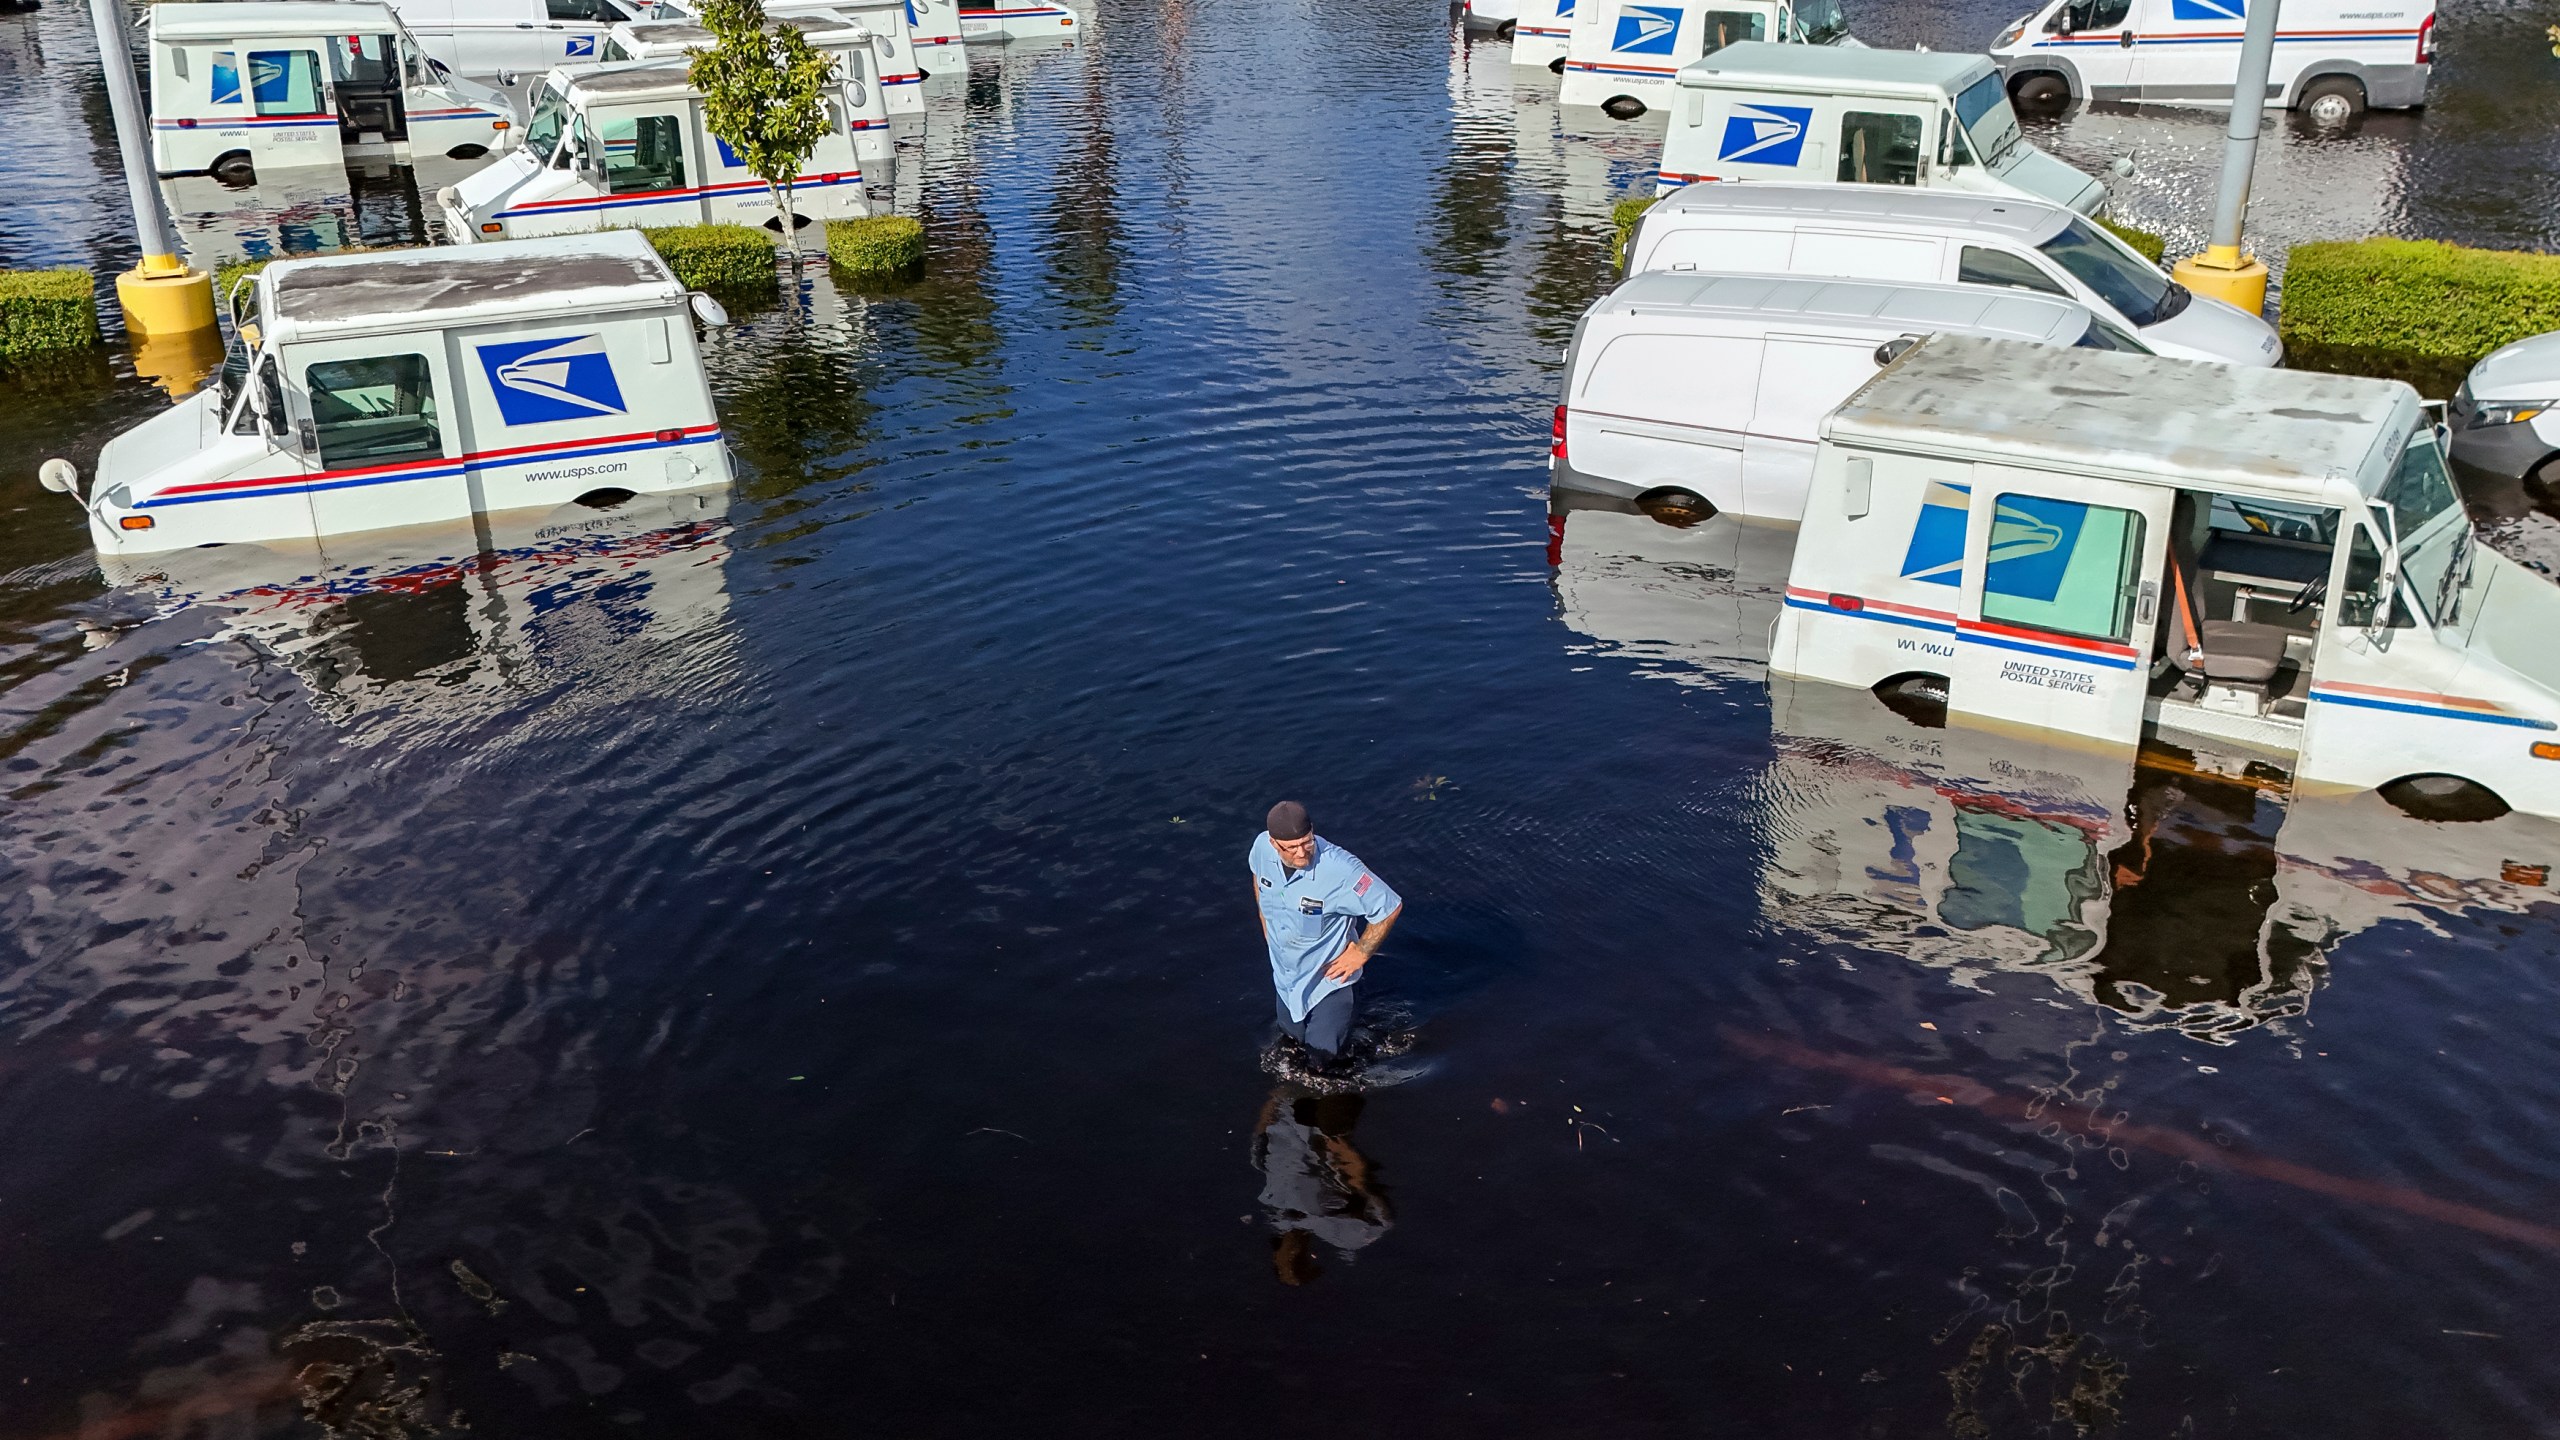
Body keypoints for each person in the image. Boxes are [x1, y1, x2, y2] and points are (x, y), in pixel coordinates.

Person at [1248, 800, 1402, 1070]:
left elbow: (1388, 906)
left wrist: (1360, 953)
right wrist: (1265, 921)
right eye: (1291, 847)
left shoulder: (1342, 870)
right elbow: (1258, 878)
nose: (1301, 853)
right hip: (1286, 979)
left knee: (1320, 1064)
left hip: (1329, 982)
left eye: (1306, 842)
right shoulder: (1261, 847)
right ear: (1274, 843)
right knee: (1291, 1044)